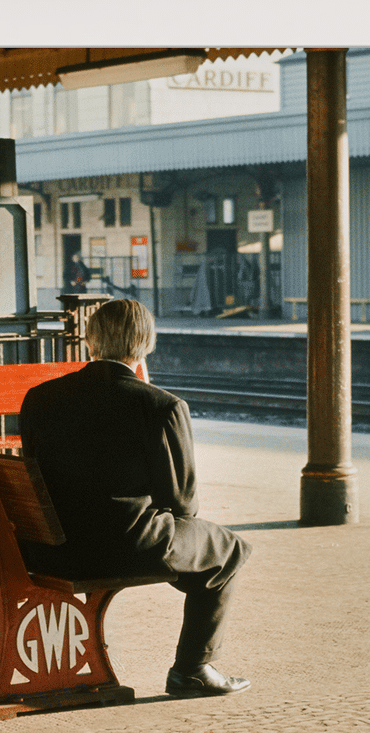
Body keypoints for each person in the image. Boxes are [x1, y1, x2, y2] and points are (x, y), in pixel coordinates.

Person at [16, 296, 250, 697]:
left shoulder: (39, 398)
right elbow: (183, 505)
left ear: (91, 340)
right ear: (145, 342)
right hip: (125, 547)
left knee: (198, 548)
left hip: (48, 547)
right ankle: (193, 668)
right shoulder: (162, 405)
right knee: (227, 550)